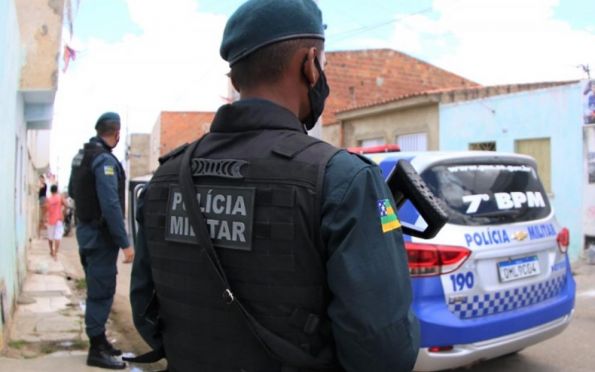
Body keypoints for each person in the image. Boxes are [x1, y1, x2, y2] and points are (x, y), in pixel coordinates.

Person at [129, 1, 420, 371]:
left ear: (235, 80)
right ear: (310, 65)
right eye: (323, 64)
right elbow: (384, 354)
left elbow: (145, 313)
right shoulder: (342, 179)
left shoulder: (166, 177)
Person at [68, 111, 135, 370]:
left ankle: (100, 340)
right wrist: (125, 243)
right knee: (101, 291)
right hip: (100, 236)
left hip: (86, 232)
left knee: (98, 286)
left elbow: (74, 191)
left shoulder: (82, 155)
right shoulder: (104, 160)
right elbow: (110, 204)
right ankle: (96, 349)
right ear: (116, 133)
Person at [45, 184, 67, 260]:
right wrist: (63, 212)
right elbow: (66, 205)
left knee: (50, 237)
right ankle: (56, 252)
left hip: (51, 220)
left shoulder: (49, 199)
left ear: (51, 191)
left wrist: (44, 218)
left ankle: (51, 250)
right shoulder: (60, 198)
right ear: (56, 190)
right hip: (59, 219)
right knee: (57, 236)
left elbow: (46, 209)